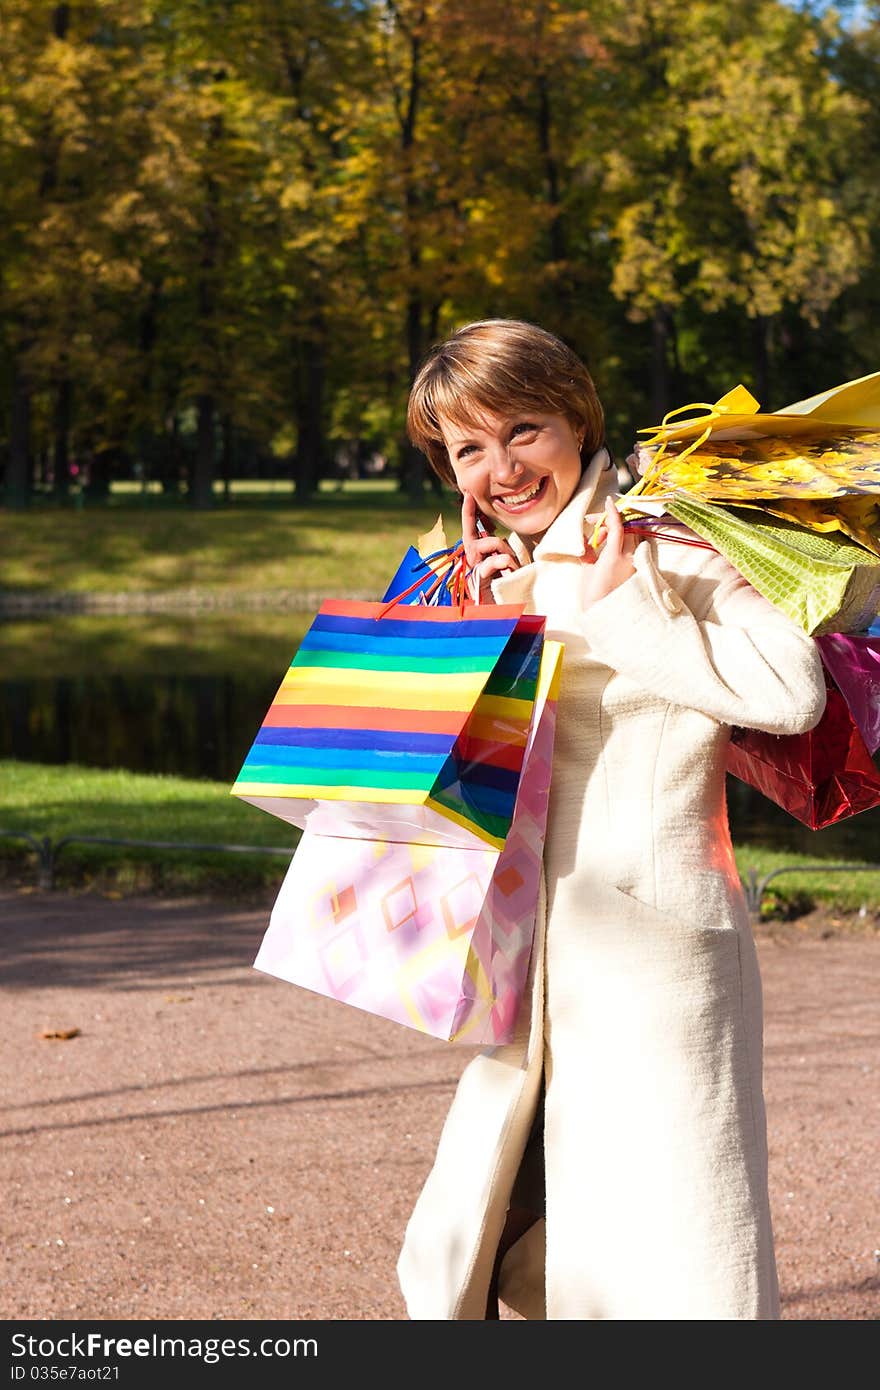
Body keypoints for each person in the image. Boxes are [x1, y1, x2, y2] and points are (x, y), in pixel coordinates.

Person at [395, 318, 827, 1320]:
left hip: (654, 954)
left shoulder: (667, 540)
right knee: (504, 1238)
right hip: (529, 961)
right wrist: (472, 633)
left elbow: (790, 690)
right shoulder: (480, 571)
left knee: (677, 1254)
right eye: (468, 447)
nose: (500, 466)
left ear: (574, 420)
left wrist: (622, 603)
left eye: (522, 430)